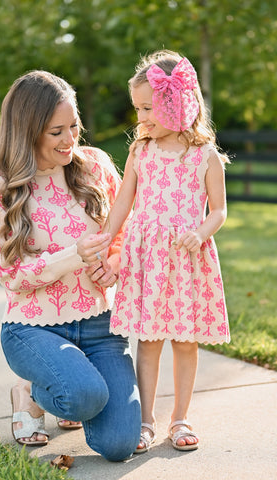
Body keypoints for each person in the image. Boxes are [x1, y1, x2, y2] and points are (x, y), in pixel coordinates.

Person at [0, 70, 141, 460]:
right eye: (56, 132)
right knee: (83, 397)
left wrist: (114, 262)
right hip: (33, 328)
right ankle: (31, 390)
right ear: (27, 131)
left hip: (101, 323)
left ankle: (71, 385)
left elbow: (126, 230)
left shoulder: (95, 165)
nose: (70, 140)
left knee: (119, 445)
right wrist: (74, 255)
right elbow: (12, 276)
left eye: (74, 127)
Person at [95, 50, 230, 453]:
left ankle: (181, 418)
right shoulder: (142, 151)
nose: (141, 118)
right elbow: (123, 202)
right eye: (137, 109)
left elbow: (219, 209)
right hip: (147, 259)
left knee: (185, 342)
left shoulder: (205, 157)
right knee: (149, 341)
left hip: (187, 258)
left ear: (177, 103)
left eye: (148, 108)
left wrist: (201, 231)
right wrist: (105, 240)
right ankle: (146, 420)